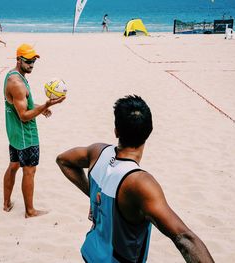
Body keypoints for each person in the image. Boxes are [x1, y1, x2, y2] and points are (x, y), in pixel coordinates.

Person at [56, 95, 214, 262]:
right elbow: (184, 239)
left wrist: (95, 198)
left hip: (91, 253)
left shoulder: (97, 152)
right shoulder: (139, 183)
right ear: (149, 131)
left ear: (116, 130)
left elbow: (63, 160)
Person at [3, 43, 65, 218]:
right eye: (28, 61)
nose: (31, 64)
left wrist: (39, 107)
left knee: (14, 165)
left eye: (33, 61)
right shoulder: (17, 83)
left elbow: (20, 104)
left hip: (14, 133)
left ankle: (6, 204)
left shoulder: (12, 76)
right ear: (18, 59)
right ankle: (30, 211)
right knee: (29, 170)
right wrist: (46, 104)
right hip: (25, 135)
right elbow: (23, 115)